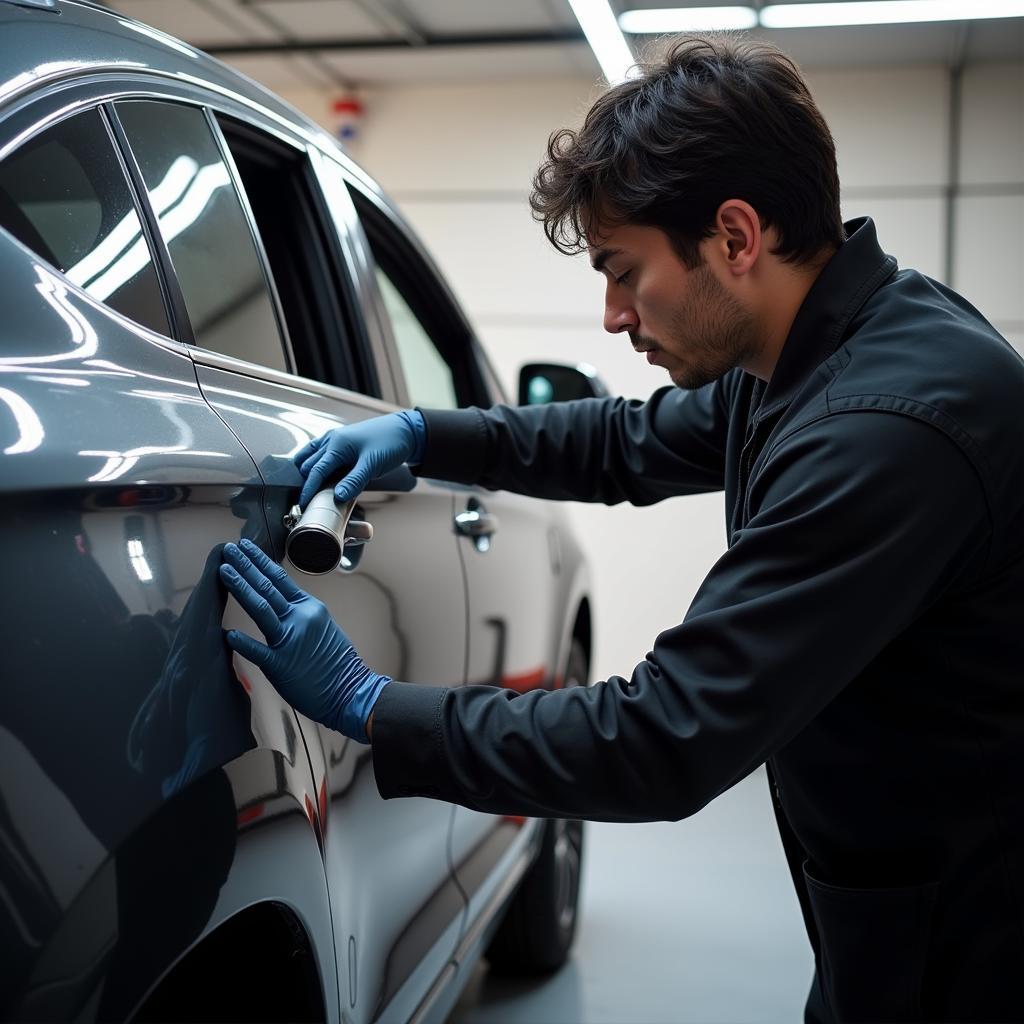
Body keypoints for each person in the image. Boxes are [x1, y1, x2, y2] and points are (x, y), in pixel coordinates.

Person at [217, 36, 1024, 1023]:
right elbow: (620, 442)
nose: (610, 316)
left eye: (622, 271)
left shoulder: (886, 433)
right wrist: (426, 433)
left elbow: (660, 735)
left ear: (734, 236)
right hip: (900, 899)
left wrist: (371, 705)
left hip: (975, 940)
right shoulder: (816, 350)